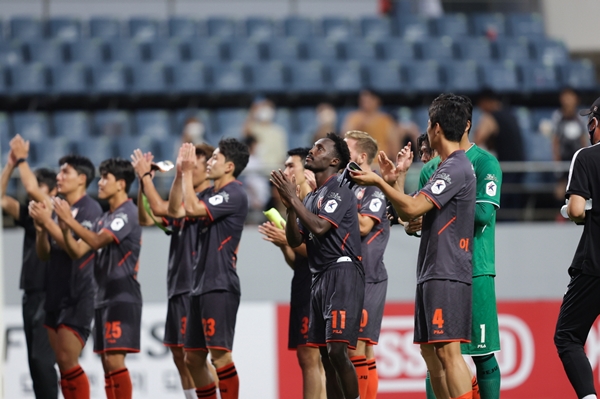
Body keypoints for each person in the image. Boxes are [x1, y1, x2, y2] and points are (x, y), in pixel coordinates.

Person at [351, 93, 476, 399]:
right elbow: (410, 221)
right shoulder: (444, 169)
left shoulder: (455, 168)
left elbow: (412, 208)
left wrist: (378, 182)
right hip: (432, 268)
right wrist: (397, 179)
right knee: (431, 354)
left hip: (447, 269)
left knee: (448, 352)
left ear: (435, 128)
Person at [416, 96, 503, 399]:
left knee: (481, 353)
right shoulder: (430, 169)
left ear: (467, 124)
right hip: (439, 268)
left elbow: (482, 213)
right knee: (437, 353)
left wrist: (435, 211)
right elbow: (418, 220)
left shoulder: (485, 162)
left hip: (476, 269)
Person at [271, 132, 365, 399]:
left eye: (320, 149)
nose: (312, 151)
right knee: (325, 356)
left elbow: (321, 227)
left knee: (337, 350)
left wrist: (295, 201)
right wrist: (290, 206)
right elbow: (294, 238)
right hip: (318, 276)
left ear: (335, 161)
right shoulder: (312, 197)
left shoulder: (340, 190)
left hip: (342, 272)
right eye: (313, 147)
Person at [52, 158, 140, 399]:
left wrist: (69, 221)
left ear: (121, 184)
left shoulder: (127, 213)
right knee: (107, 363)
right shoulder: (105, 218)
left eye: (105, 178)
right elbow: (79, 250)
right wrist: (63, 225)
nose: (99, 183)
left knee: (114, 360)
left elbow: (98, 241)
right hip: (103, 296)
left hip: (121, 295)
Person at [131, 143, 214, 399]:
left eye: (193, 164)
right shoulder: (182, 198)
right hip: (178, 283)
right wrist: (142, 185)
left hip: (195, 284)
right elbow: (146, 218)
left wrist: (146, 178)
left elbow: (159, 208)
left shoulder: (208, 198)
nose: (188, 167)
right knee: (180, 355)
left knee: (196, 356)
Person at [178, 139, 249, 399]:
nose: (209, 161)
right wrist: (179, 175)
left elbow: (193, 209)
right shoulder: (209, 194)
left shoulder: (235, 193)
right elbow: (177, 208)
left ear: (229, 166)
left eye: (215, 158)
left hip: (219, 284)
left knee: (220, 356)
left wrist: (187, 172)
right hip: (200, 284)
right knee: (193, 359)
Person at [28, 154, 102, 399]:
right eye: (59, 172)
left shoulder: (91, 209)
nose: (59, 177)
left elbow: (77, 250)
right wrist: (40, 230)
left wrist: (48, 223)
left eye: (65, 172)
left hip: (78, 293)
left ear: (82, 179)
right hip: (55, 292)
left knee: (67, 359)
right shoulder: (58, 206)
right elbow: (45, 254)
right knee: (60, 362)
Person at [259, 147, 326, 399]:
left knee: (310, 356)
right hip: (302, 284)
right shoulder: (296, 207)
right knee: (308, 358)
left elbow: (322, 250)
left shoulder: (316, 204)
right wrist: (283, 245)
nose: (286, 171)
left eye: (290, 166)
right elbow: (297, 261)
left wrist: (289, 242)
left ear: (306, 169)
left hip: (317, 287)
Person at [1, 135, 58, 399]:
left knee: (42, 359)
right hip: (31, 294)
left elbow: (34, 190)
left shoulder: (58, 212)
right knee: (34, 362)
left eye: (38, 187)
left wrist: (22, 159)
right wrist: (10, 166)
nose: (30, 192)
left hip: (51, 295)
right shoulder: (29, 214)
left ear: (52, 192)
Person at [554, 97, 600, 399]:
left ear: (595, 123)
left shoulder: (585, 157)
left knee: (568, 336)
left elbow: (578, 208)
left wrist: (568, 211)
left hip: (595, 263)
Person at [344, 131, 390, 399]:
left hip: (368, 276)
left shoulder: (374, 188)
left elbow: (364, 225)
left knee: (356, 349)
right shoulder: (349, 186)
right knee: (365, 349)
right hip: (351, 276)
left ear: (362, 157)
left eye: (346, 148)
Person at [474, 89, 524, 210]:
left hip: (505, 170)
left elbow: (476, 141)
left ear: (486, 102)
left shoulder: (491, 117)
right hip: (520, 167)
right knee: (513, 209)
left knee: (501, 209)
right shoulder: (511, 114)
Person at [550, 88, 588, 205]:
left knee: (579, 188)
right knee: (561, 189)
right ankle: (560, 215)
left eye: (570, 97)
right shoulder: (557, 116)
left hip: (578, 158)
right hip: (563, 158)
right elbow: (555, 140)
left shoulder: (581, 117)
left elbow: (584, 139)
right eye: (565, 97)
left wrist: (585, 159)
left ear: (576, 99)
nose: (567, 100)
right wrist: (556, 160)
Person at [342, 89, 400, 160]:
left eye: (369, 100)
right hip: (358, 163)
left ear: (377, 101)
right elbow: (345, 138)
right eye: (363, 101)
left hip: (380, 163)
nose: (365, 103)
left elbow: (394, 145)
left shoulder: (386, 120)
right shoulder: (353, 118)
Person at [243, 98, 287, 170]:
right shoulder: (254, 128)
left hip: (275, 169)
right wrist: (253, 111)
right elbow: (245, 132)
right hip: (259, 170)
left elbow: (282, 155)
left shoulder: (279, 131)